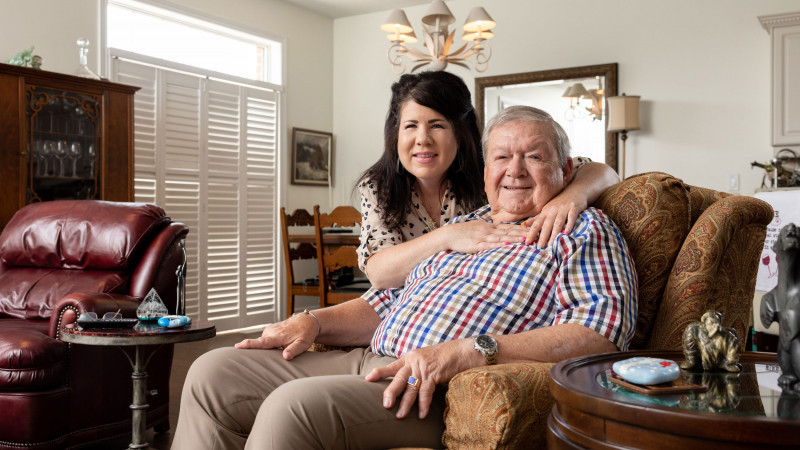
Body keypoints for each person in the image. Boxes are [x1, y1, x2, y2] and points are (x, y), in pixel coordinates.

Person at [171, 105, 637, 449]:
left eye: (533, 157)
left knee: (291, 408)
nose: (514, 171)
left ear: (566, 169)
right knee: (214, 372)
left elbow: (601, 334)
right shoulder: (466, 225)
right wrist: (313, 321)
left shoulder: (582, 229)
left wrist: (472, 350)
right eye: (501, 158)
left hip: (434, 385)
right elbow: (385, 302)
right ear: (486, 169)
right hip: (369, 358)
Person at [357, 71, 620, 290]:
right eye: (410, 126)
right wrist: (449, 236)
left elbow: (600, 172)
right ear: (395, 134)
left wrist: (572, 196)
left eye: (437, 125)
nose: (423, 139)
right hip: (404, 301)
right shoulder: (379, 185)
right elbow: (379, 274)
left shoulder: (495, 171)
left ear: (460, 133)